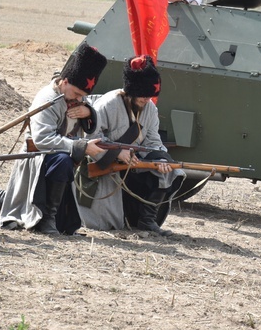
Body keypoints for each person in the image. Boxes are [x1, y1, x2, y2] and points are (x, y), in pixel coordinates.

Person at [0, 42, 107, 235]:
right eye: (77, 94)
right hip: (39, 157)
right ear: (64, 82)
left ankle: (1, 198)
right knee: (63, 161)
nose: (79, 99)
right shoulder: (47, 98)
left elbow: (91, 126)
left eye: (84, 96)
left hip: (60, 159)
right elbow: (43, 140)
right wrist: (81, 146)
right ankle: (48, 218)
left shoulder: (77, 97)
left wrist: (88, 112)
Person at [73, 55, 185, 236]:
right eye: (143, 94)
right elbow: (91, 136)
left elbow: (153, 141)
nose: (147, 99)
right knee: (106, 224)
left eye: (150, 95)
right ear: (132, 89)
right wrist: (118, 152)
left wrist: (162, 159)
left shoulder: (150, 109)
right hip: (105, 163)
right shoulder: (109, 103)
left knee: (171, 171)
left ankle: (146, 221)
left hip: (134, 163)